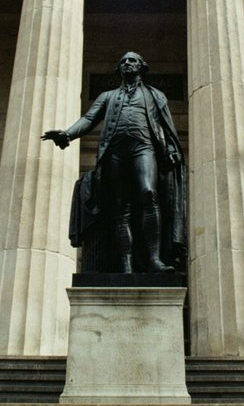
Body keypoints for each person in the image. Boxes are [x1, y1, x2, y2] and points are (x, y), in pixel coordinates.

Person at [44, 52, 186, 274]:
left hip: (144, 148)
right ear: (119, 69)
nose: (127, 63)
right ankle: (126, 264)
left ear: (141, 67)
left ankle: (153, 259)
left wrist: (170, 148)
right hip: (115, 153)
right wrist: (67, 134)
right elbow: (89, 119)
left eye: (133, 60)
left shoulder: (155, 95)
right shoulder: (108, 96)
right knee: (122, 208)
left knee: (149, 193)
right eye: (123, 61)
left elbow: (166, 126)